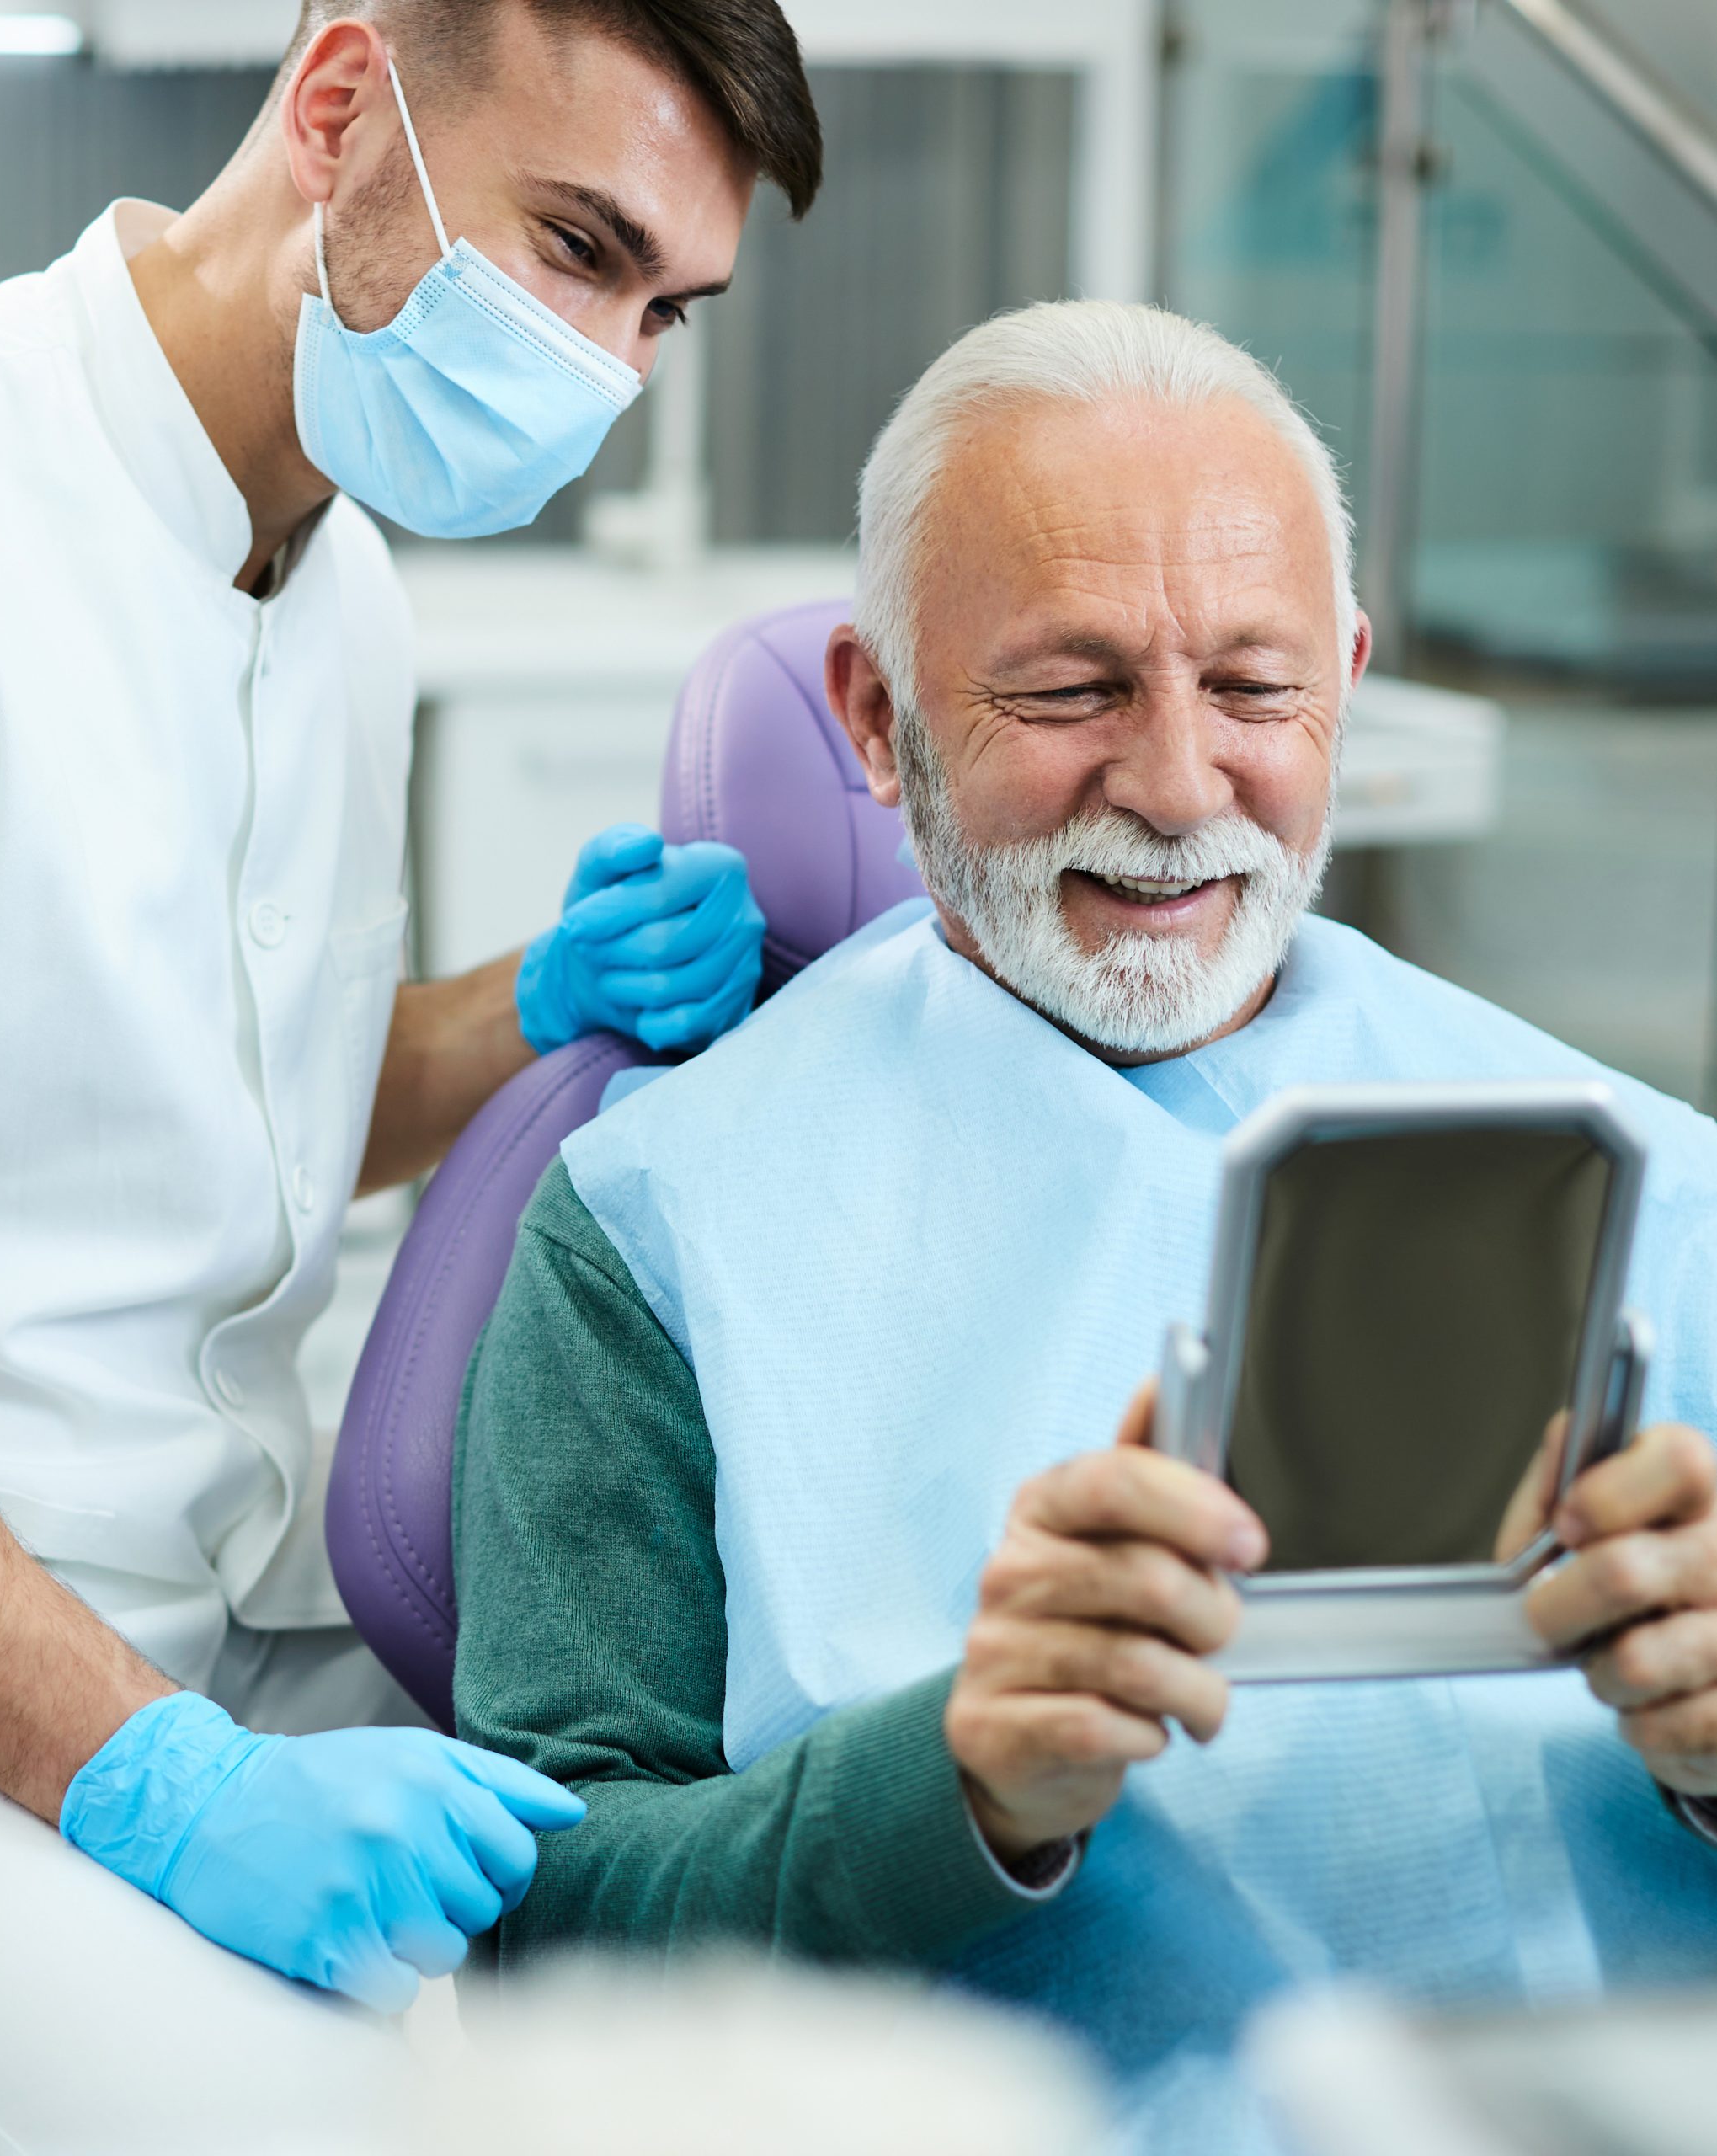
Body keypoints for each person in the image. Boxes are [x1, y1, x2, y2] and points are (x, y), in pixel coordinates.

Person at [452, 300, 1717, 2152]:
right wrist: (954, 1781)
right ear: (877, 714)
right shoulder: (656, 1229)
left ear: (1348, 683)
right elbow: (540, 1939)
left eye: (1258, 688)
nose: (1181, 784)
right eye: (1071, 691)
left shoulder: (1644, 1176)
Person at [0, 0, 821, 2078]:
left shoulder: (340, 580)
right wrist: (154, 1783)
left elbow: (195, 1109)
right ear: (342, 103)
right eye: (577, 248)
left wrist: (528, 1010)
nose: (611, 376)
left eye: (670, 310)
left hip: (203, 1621)